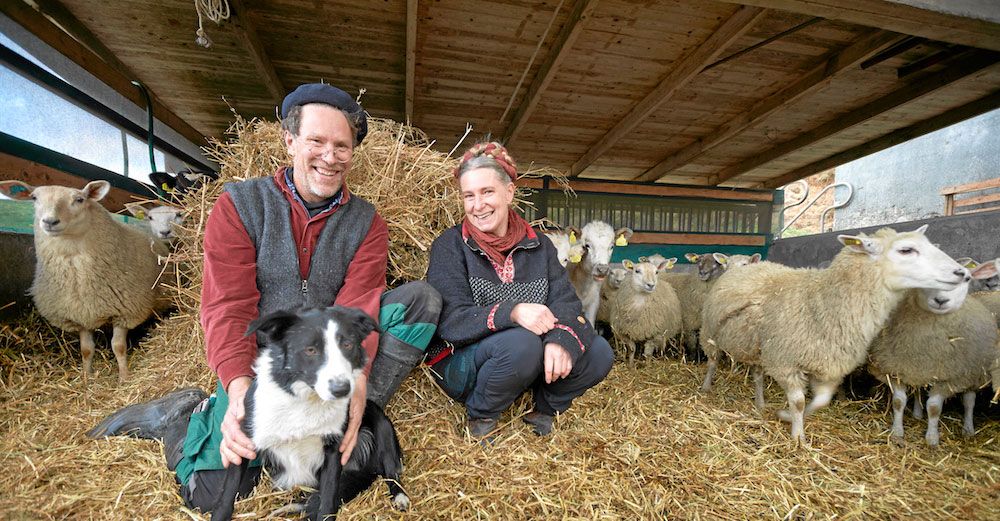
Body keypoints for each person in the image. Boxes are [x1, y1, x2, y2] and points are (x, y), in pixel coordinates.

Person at [91, 83, 441, 512]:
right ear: (290, 140)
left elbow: (359, 305)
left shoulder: (367, 222)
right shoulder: (240, 205)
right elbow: (227, 306)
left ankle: (345, 417)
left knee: (421, 301)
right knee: (210, 493)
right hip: (269, 365)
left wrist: (358, 382)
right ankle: (182, 416)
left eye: (342, 146)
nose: (329, 157)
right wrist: (239, 390)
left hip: (331, 359)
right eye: (316, 141)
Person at [425, 142, 614, 441]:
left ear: (509, 192)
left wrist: (562, 339)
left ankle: (544, 409)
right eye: (469, 196)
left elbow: (565, 302)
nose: (478, 205)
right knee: (522, 343)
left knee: (598, 352)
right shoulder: (449, 246)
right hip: (461, 363)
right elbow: (450, 321)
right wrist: (511, 311)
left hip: (518, 362)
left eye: (487, 192)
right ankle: (482, 415)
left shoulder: (539, 247)